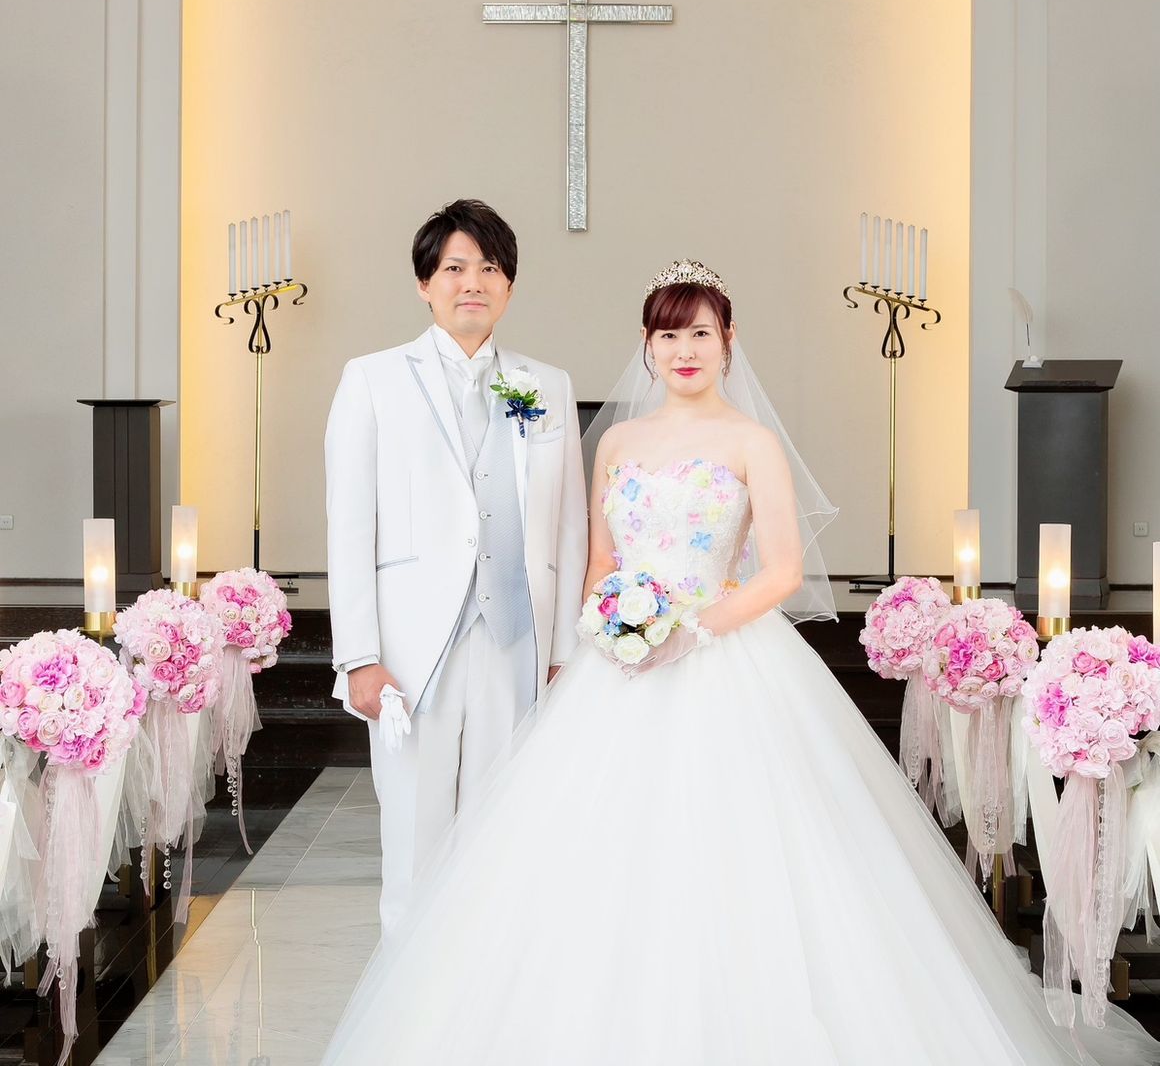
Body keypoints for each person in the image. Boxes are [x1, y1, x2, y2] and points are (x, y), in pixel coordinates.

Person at [322, 260, 1160, 1064]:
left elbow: (783, 570)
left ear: (728, 341)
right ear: (646, 346)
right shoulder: (615, 443)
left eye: (700, 333)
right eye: (667, 335)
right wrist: (612, 621)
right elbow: (598, 559)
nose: (683, 350)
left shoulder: (751, 441)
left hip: (725, 656)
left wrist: (690, 630)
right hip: (619, 668)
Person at [323, 198, 588, 932]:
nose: (473, 282)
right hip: (412, 653)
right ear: (425, 284)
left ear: (509, 285)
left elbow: (569, 524)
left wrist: (564, 650)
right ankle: (407, 993)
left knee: (504, 835)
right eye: (454, 268)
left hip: (516, 638)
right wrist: (359, 657)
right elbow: (350, 526)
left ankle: (489, 986)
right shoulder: (372, 379)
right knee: (415, 837)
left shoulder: (547, 384)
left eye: (490, 268)